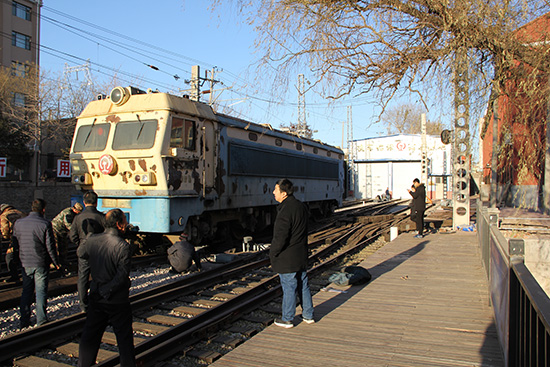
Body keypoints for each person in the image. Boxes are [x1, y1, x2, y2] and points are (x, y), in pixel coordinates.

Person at [77, 209, 135, 367]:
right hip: (117, 300)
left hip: (96, 296)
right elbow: (121, 276)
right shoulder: (123, 246)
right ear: (119, 224)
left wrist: (88, 236)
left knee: (90, 336)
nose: (126, 224)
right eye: (124, 221)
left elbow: (80, 253)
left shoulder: (92, 240)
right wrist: (107, 290)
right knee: (124, 339)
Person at [270, 178, 314, 328]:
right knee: (303, 284)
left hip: (287, 257)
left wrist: (273, 252)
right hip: (300, 253)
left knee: (289, 286)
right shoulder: (301, 206)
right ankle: (308, 315)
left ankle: (287, 318)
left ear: (283, 193)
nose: (273, 192)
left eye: (276, 190)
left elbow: (281, 236)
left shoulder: (284, 210)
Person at [11, 199, 60, 328]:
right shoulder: (45, 224)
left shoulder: (18, 223)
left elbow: (15, 244)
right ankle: (41, 320)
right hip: (40, 262)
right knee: (41, 291)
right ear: (43, 209)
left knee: (26, 291)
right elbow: (50, 247)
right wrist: (56, 262)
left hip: (25, 261)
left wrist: (16, 260)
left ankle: (24, 320)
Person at [70, 191, 105, 312]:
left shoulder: (78, 217)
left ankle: (83, 305)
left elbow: (72, 235)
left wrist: (80, 243)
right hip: (98, 250)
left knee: (82, 277)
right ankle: (97, 300)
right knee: (98, 277)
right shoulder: (101, 217)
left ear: (84, 202)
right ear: (96, 202)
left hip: (83, 249)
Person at [52, 202, 83, 269]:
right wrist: (77, 232)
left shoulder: (74, 214)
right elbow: (69, 225)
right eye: (78, 211)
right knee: (56, 247)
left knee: (64, 246)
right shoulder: (68, 213)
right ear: (75, 209)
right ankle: (56, 263)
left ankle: (63, 261)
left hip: (63, 232)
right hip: (55, 230)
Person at [1, 203, 26, 283]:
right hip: (27, 238)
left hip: (15, 238)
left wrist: (7, 237)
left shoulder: (4, 216)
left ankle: (14, 276)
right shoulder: (21, 213)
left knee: (9, 257)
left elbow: (5, 230)